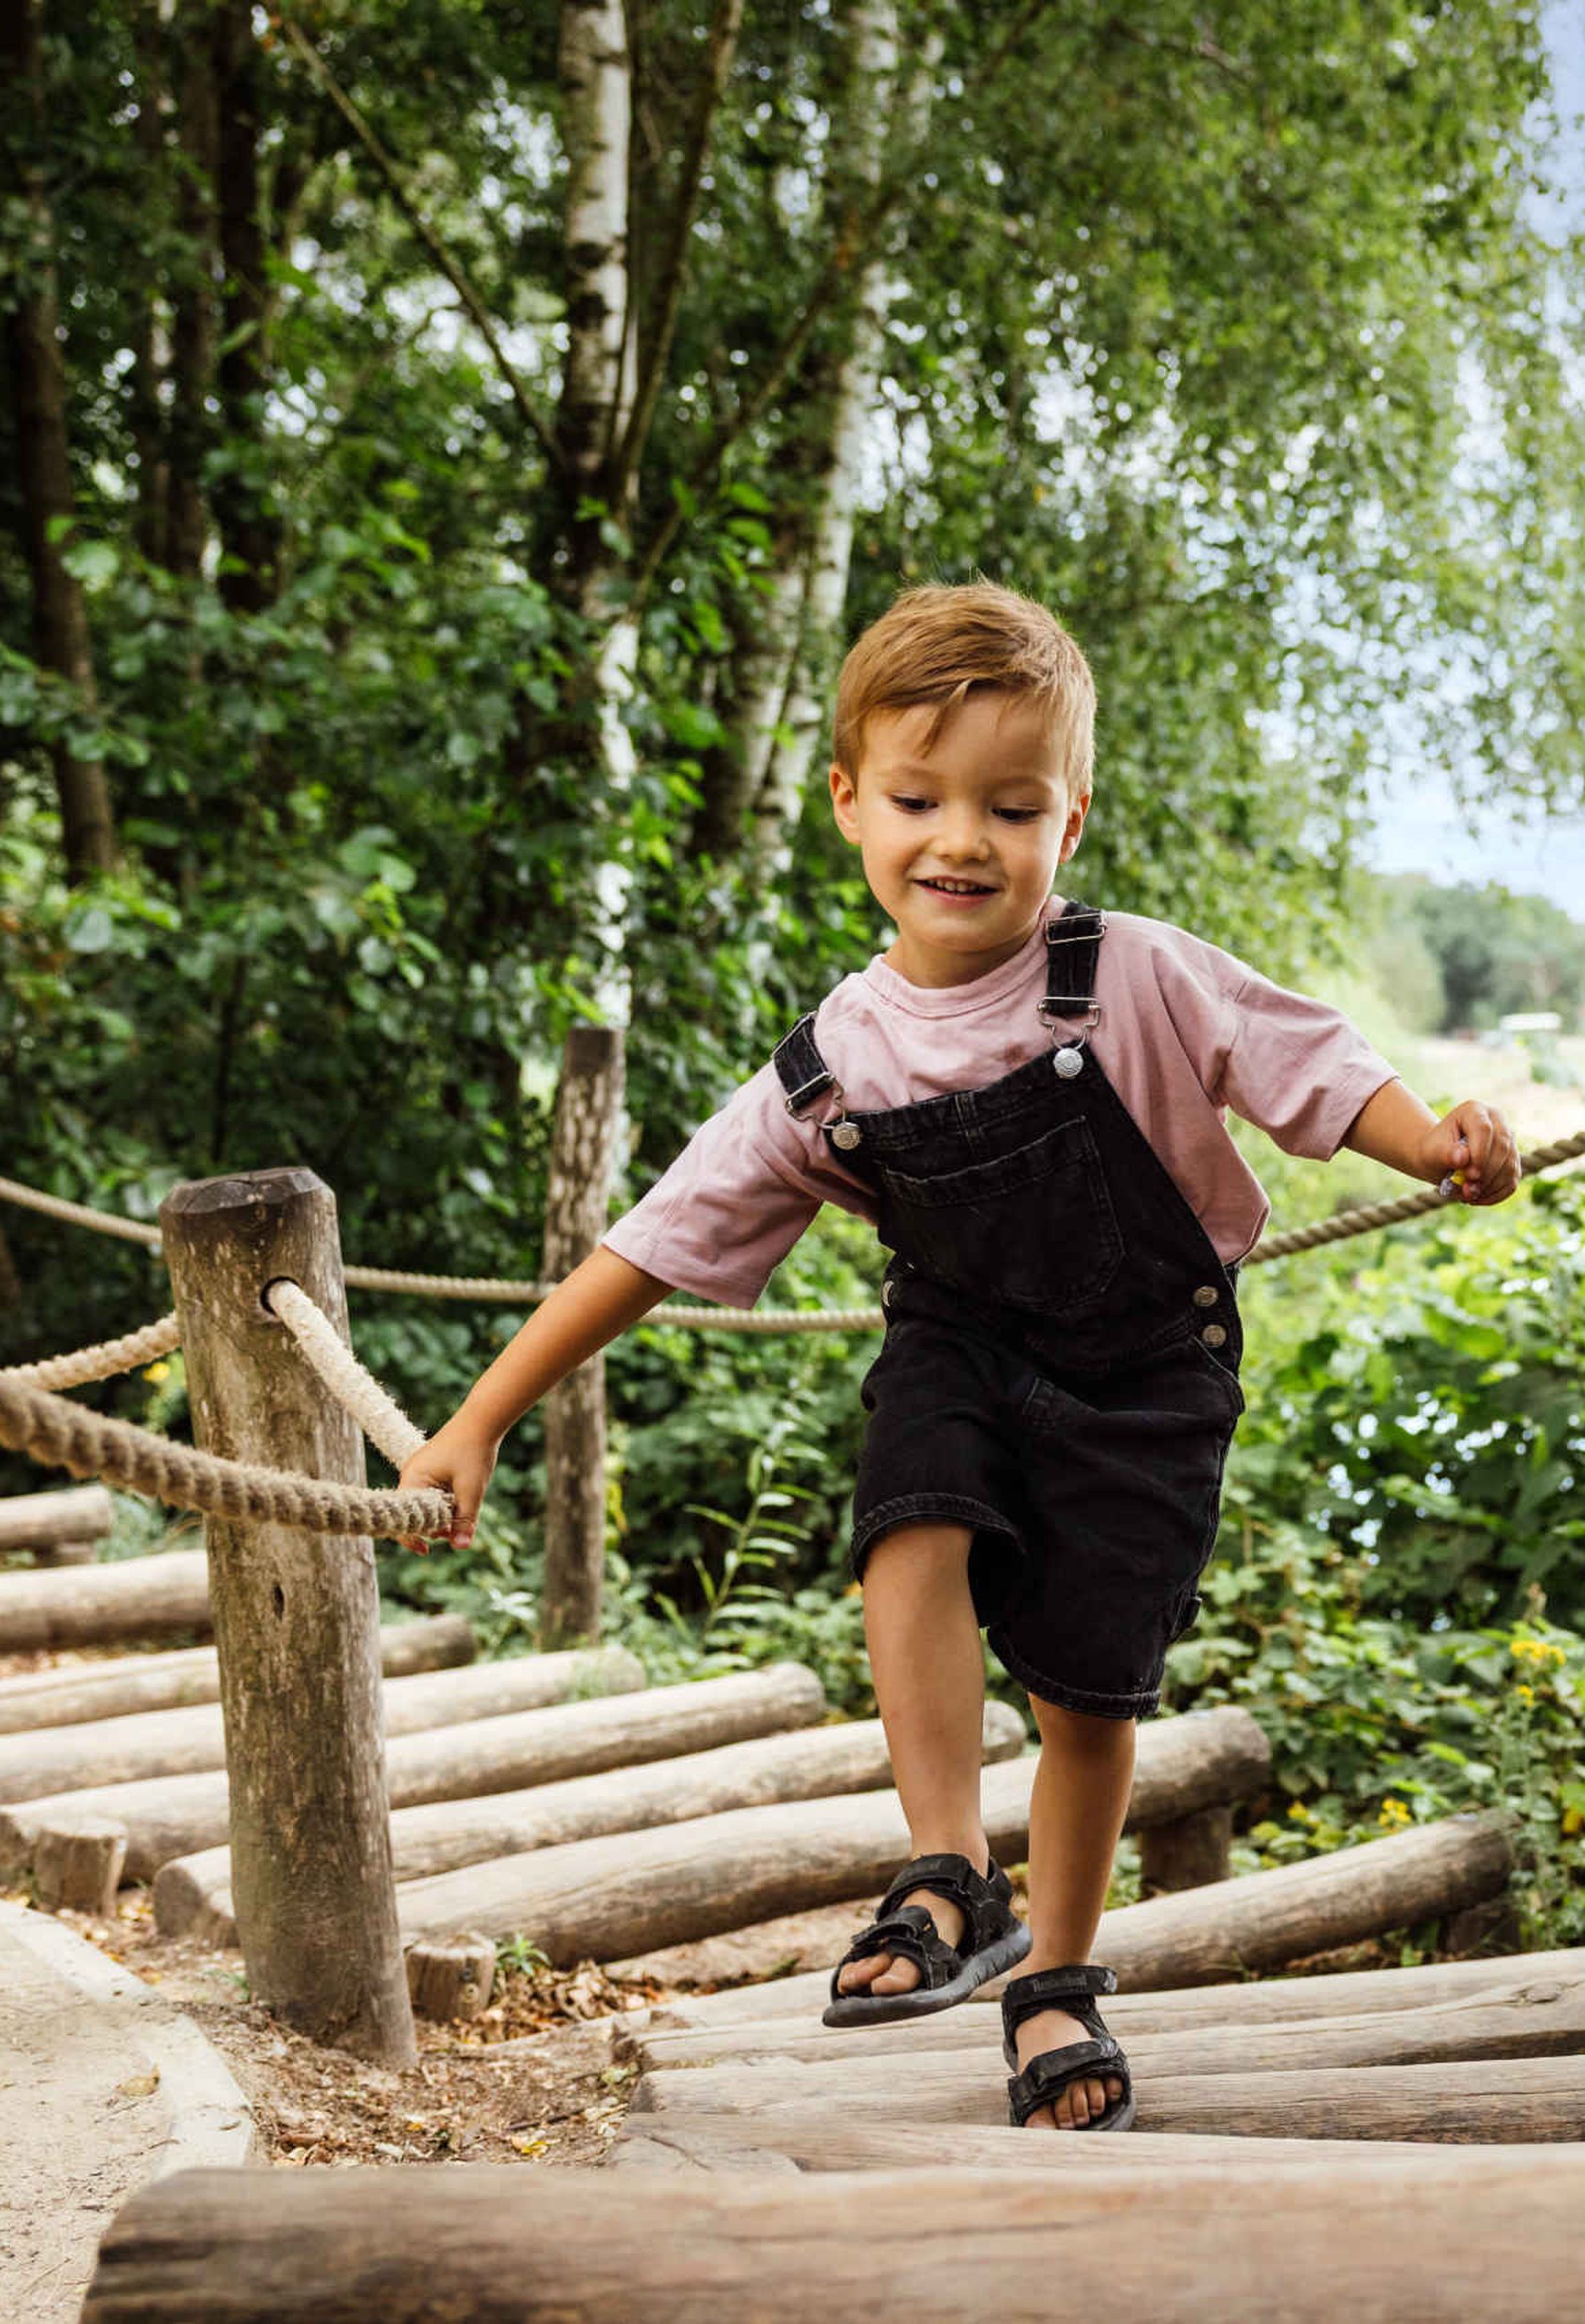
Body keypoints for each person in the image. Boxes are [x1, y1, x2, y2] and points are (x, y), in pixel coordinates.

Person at [401, 578, 1517, 2132]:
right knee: (909, 1518)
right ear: (847, 802)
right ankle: (948, 1867)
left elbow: (1305, 1063)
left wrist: (1433, 1143)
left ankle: (1054, 1974)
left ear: (1070, 821)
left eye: (1011, 805)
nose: (962, 840)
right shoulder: (830, 1065)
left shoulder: (1132, 973)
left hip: (1148, 1369)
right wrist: (480, 1418)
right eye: (919, 799)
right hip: (966, 1341)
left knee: (1086, 1698)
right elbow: (647, 1246)